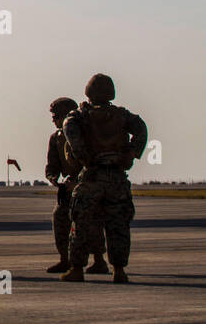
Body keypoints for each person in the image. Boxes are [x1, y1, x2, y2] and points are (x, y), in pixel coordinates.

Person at [60, 74, 148, 283]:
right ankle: (119, 269)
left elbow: (70, 133)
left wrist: (84, 158)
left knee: (80, 223)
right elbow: (141, 129)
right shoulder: (122, 116)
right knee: (118, 225)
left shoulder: (79, 116)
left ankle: (77, 268)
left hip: (92, 177)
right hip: (117, 177)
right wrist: (131, 154)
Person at [44, 97, 107, 274]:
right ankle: (65, 259)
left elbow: (92, 162)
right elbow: (51, 166)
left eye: (56, 116)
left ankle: (99, 260)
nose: (53, 120)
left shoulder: (84, 135)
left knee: (92, 223)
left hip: (87, 185)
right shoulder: (56, 138)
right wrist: (55, 179)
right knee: (60, 219)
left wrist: (79, 182)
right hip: (67, 188)